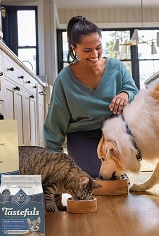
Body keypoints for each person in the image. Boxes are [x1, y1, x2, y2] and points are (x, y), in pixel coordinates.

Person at [44, 15, 139, 178]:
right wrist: (54, 162)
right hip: (82, 135)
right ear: (74, 48)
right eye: (87, 50)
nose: (95, 54)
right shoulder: (64, 79)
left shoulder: (116, 67)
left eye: (98, 47)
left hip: (114, 129)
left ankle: (123, 164)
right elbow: (55, 122)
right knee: (97, 178)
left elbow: (134, 92)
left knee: (115, 173)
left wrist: (126, 94)